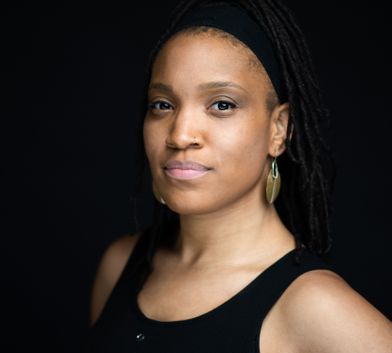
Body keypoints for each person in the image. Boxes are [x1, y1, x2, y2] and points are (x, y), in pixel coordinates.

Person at [84, 0, 392, 352]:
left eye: (222, 105)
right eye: (163, 105)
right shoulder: (120, 265)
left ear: (278, 130)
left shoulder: (315, 307)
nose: (180, 134)